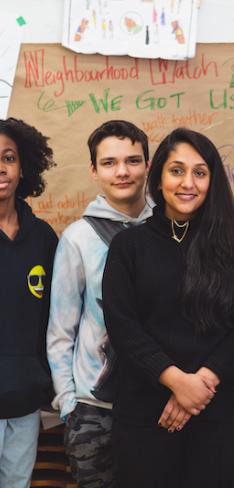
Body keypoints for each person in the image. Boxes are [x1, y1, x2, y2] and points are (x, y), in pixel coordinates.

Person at [101, 127, 234, 488]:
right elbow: (122, 324)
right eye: (176, 170)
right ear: (158, 177)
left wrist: (201, 384)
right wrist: (175, 381)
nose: (187, 182)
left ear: (213, 182)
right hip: (146, 413)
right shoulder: (129, 246)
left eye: (200, 172)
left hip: (221, 413)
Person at [47, 120, 151, 487]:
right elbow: (61, 330)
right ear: (93, 170)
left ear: (148, 165)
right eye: (108, 163)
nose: (121, 171)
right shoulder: (78, 238)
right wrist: (70, 404)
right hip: (94, 407)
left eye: (132, 160)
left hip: (158, 401)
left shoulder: (170, 230)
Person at [0, 118, 57, 488]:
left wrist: (45, 382)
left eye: (8, 157)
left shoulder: (43, 237)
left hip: (24, 399)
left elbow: (54, 318)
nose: (0, 168)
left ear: (24, 168)